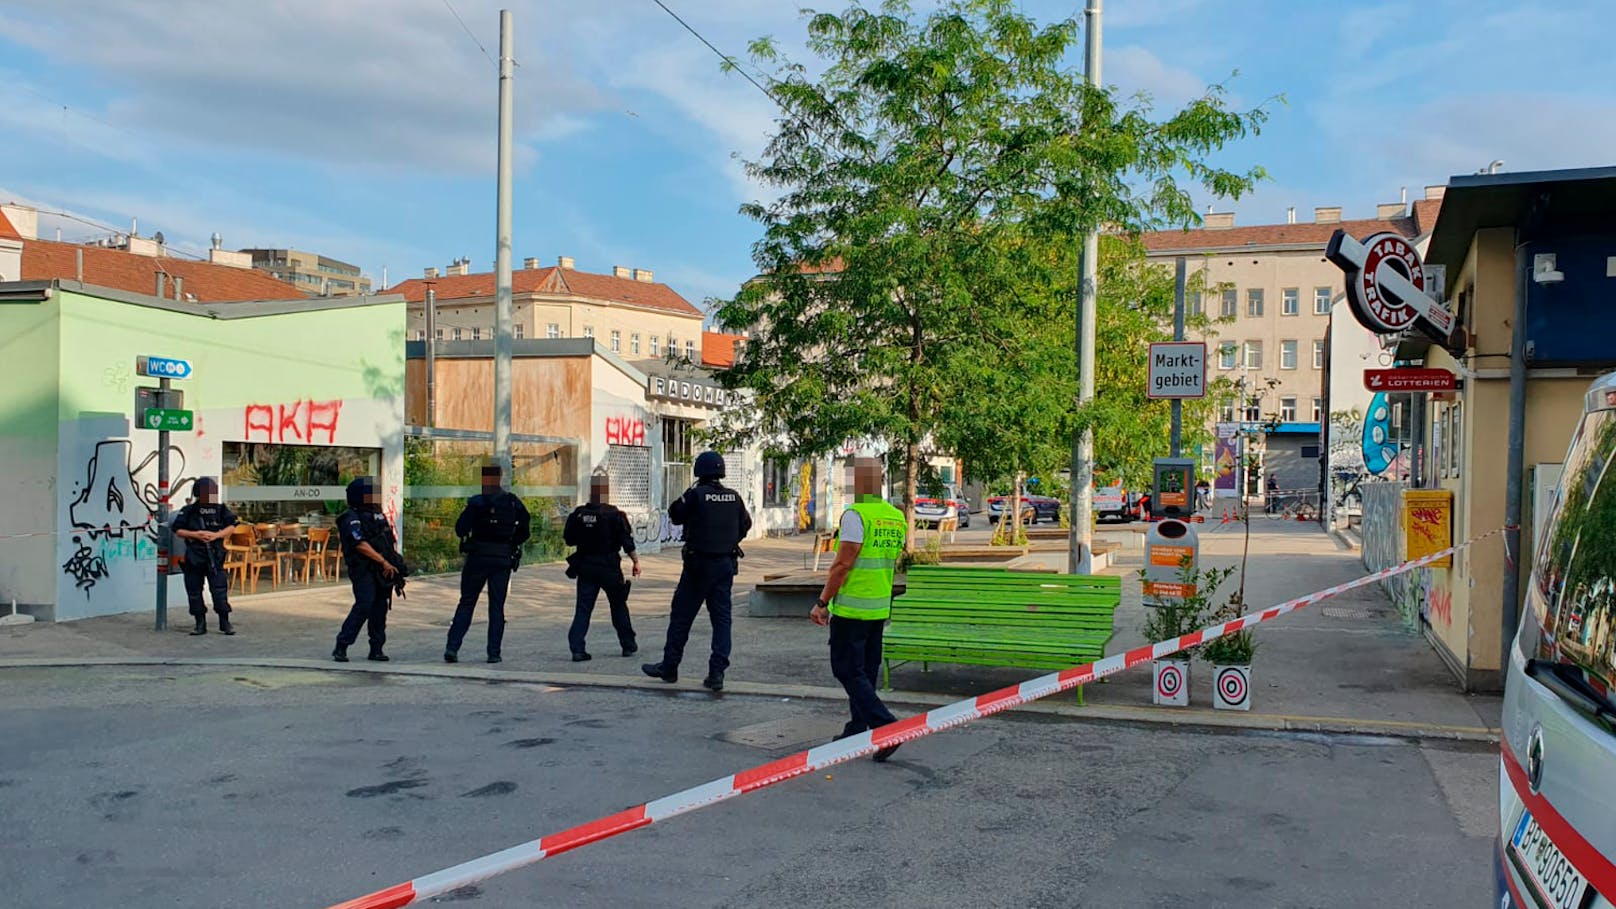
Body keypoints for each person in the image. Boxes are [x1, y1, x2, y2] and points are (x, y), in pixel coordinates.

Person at [810, 458, 906, 762]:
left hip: (853, 607)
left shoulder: (856, 515)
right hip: (879, 605)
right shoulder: (895, 516)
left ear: (857, 484)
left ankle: (885, 726)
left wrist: (822, 602)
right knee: (865, 669)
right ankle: (858, 726)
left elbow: (842, 564)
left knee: (846, 669)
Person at [642, 450, 751, 691]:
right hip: (725, 566)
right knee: (722, 621)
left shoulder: (696, 495)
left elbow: (675, 514)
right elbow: (746, 525)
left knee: (681, 617)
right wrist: (728, 541)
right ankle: (717, 674)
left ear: (699, 471)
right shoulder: (734, 497)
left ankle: (669, 667)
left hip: (698, 566)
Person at [444, 463, 531, 664]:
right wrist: (511, 543)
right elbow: (525, 530)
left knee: (466, 603)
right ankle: (494, 653)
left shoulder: (476, 503)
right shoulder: (512, 502)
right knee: (497, 607)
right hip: (501, 558)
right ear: (499, 478)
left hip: (478, 557)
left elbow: (460, 529)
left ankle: (452, 647)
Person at [563, 472, 640, 662]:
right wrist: (636, 561)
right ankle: (628, 644)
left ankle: (577, 649)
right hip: (609, 567)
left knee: (583, 609)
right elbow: (626, 541)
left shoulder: (579, 514)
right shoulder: (614, 514)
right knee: (618, 605)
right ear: (605, 491)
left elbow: (569, 539)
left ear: (591, 491)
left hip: (586, 565)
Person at [333, 477, 406, 663]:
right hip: (364, 569)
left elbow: (388, 540)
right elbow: (360, 545)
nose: (374, 497)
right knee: (365, 604)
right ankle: (342, 645)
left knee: (380, 608)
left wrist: (393, 562)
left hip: (383, 570)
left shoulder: (377, 515)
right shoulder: (350, 518)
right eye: (370, 494)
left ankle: (377, 648)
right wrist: (383, 561)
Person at [169, 477, 238, 636]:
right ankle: (200, 623)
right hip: (195, 556)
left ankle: (224, 622)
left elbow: (232, 526)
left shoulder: (220, 509)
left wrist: (216, 535)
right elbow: (177, 530)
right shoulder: (189, 510)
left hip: (214, 555)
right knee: (194, 591)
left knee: (219, 590)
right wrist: (196, 534)